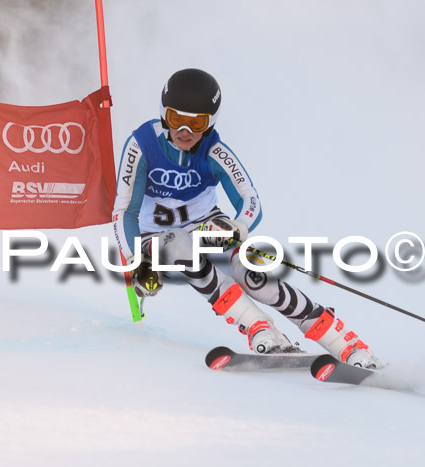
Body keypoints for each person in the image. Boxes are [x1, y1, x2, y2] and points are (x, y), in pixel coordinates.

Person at [112, 68, 382, 368]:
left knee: (253, 277)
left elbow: (250, 200)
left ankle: (348, 345)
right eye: (177, 119)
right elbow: (125, 210)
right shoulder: (142, 143)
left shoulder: (214, 151)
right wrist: (137, 261)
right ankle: (258, 326)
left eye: (197, 122)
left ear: (210, 122)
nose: (185, 131)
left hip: (205, 227)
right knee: (179, 244)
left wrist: (238, 226)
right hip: (155, 238)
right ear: (164, 115)